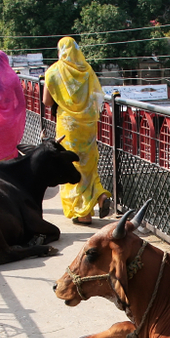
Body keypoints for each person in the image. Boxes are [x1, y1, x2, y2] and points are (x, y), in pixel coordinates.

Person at [43, 36, 111, 225]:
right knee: (88, 165)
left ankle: (83, 213)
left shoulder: (54, 71)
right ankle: (100, 197)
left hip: (68, 126)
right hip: (87, 126)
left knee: (71, 165)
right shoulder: (87, 70)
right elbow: (97, 97)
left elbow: (47, 101)